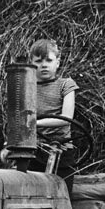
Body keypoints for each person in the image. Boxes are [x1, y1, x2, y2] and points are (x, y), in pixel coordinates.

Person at [29, 38, 79, 193]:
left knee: (61, 197)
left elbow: (66, 119)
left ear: (57, 62)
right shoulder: (26, 88)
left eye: (49, 60)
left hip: (61, 150)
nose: (43, 65)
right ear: (31, 63)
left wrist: (34, 123)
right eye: (38, 61)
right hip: (33, 151)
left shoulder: (66, 85)